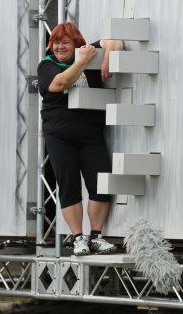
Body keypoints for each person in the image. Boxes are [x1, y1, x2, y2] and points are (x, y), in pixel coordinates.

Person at [37, 22, 123, 256]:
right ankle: (77, 238)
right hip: (59, 136)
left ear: (77, 44)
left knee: (101, 184)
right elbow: (60, 83)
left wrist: (106, 58)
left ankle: (96, 236)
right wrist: (82, 62)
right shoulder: (47, 65)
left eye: (65, 42)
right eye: (56, 42)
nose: (60, 47)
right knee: (69, 186)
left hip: (91, 134)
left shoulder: (90, 54)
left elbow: (115, 40)